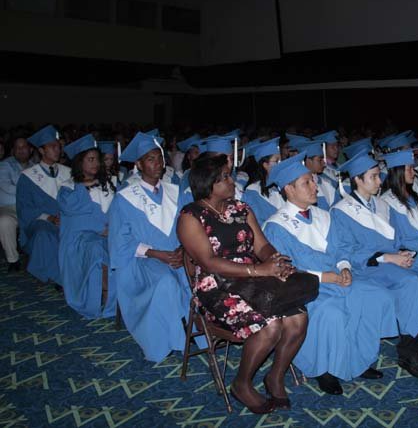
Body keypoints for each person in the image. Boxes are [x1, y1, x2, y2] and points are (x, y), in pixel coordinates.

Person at [177, 155, 315, 414]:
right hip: (216, 286)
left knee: (299, 318)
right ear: (209, 183)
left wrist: (275, 261)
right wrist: (259, 269)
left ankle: (275, 376)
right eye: (225, 177)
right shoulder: (191, 216)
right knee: (271, 326)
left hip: (254, 281)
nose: (232, 181)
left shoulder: (241, 208)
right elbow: (208, 262)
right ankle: (242, 384)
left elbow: (261, 246)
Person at [263, 153, 399, 394]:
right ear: (289, 189)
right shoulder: (276, 226)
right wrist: (326, 277)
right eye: (307, 183)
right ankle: (324, 368)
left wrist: (344, 267)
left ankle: (358, 359)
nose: (315, 187)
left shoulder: (323, 216)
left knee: (376, 296)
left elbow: (342, 249)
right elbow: (285, 271)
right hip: (304, 288)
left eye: (314, 181)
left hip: (337, 279)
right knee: (332, 313)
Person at [330, 151, 418, 378]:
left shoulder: (381, 205)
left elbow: (394, 241)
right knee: (412, 282)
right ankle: (408, 353)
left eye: (378, 176)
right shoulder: (341, 211)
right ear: (358, 179)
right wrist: (388, 258)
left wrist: (401, 253)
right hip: (365, 268)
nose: (379, 181)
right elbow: (346, 251)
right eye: (373, 177)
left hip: (387, 264)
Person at [107, 132, 192, 362]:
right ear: (139, 164)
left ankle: (195, 328)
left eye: (160, 158)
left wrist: (183, 249)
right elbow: (120, 241)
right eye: (150, 159)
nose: (157, 164)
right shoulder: (125, 198)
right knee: (165, 281)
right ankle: (170, 338)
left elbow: (189, 226)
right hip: (143, 260)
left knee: (199, 275)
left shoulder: (176, 192)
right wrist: (156, 254)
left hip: (178, 255)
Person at [58, 135, 117, 318]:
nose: (96, 163)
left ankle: (117, 297)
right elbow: (74, 221)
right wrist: (101, 229)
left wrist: (112, 228)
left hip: (110, 233)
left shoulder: (109, 184)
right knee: (97, 248)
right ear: (79, 162)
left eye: (97, 159)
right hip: (79, 239)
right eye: (90, 159)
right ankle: (105, 297)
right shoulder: (69, 189)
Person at [16, 125, 71, 284]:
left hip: (67, 219)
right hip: (41, 220)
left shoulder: (68, 172)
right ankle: (59, 277)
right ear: (41, 150)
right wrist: (49, 218)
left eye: (58, 146)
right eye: (52, 147)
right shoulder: (28, 177)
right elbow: (25, 209)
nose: (57, 150)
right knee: (44, 234)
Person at [0, 135, 33, 272]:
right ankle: (13, 259)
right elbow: (6, 187)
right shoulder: (4, 165)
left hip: (31, 207)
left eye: (24, 147)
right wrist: (31, 191)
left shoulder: (36, 167)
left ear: (30, 149)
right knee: (4, 221)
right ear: (13, 150)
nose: (20, 150)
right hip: (10, 207)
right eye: (17, 147)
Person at [242, 138, 284, 223]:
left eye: (281, 161)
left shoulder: (279, 185)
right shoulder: (253, 191)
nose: (281, 164)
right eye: (276, 161)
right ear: (265, 165)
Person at [296, 140, 340, 210]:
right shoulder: (297, 187)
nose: (324, 163)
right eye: (320, 160)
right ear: (308, 160)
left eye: (323, 159)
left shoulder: (327, 183)